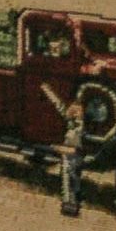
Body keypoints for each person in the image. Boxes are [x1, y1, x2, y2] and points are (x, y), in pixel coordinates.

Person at [39, 83, 85, 218]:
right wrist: (48, 91)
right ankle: (69, 204)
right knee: (69, 180)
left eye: (76, 111)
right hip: (69, 155)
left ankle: (71, 206)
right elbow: (59, 105)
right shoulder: (73, 123)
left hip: (72, 157)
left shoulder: (79, 129)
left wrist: (58, 148)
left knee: (70, 181)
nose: (72, 111)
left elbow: (76, 149)